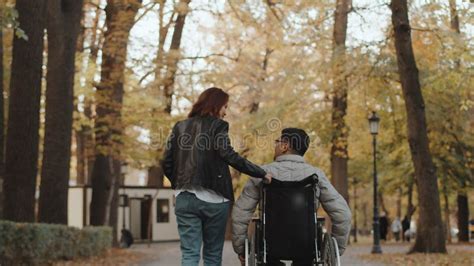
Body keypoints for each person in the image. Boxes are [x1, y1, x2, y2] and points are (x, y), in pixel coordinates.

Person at [161, 87, 272, 266]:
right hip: (214, 198)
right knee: (212, 255)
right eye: (225, 107)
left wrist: (180, 184)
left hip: (185, 198)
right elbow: (228, 155)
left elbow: (166, 162)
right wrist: (261, 172)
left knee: (189, 254)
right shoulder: (218, 125)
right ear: (216, 105)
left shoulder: (180, 126)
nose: (225, 112)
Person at [232, 128, 351, 265]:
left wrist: (241, 250)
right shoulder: (316, 176)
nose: (275, 145)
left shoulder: (262, 174)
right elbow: (343, 214)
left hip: (269, 247)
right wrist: (336, 252)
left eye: (277, 142)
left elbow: (240, 214)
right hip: (306, 247)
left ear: (284, 146)